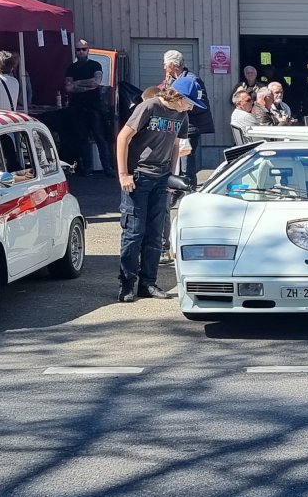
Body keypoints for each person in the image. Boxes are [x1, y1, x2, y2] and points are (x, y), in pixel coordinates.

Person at [115, 84, 193, 303]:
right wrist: (124, 174)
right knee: (134, 232)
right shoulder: (149, 107)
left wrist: (171, 176)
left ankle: (148, 283)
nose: (191, 107)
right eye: (190, 102)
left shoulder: (182, 115)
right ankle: (127, 284)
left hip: (161, 178)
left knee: (155, 233)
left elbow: (176, 145)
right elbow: (123, 137)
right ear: (178, 96)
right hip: (139, 176)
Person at [162, 50, 215, 180]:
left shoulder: (192, 80)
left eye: (165, 64)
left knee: (186, 159)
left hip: (189, 127)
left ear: (172, 65)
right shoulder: (172, 80)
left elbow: (201, 103)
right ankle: (179, 184)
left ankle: (188, 186)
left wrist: (181, 107)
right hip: (177, 126)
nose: (164, 67)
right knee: (177, 159)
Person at [64, 39, 113, 176]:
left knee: (100, 137)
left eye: (83, 49)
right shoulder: (71, 68)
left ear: (88, 50)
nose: (81, 52)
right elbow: (68, 87)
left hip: (94, 107)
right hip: (78, 108)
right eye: (78, 49)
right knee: (82, 138)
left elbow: (96, 82)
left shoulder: (95, 65)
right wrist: (87, 86)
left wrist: (78, 83)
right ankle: (88, 168)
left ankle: (107, 168)